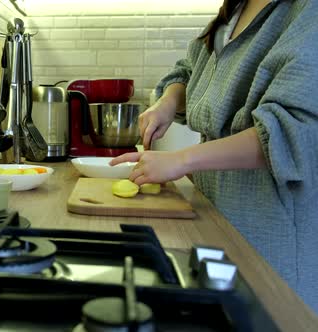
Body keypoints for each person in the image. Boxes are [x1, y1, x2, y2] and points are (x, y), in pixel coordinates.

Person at [110, 0, 318, 312]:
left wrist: (182, 161)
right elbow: (190, 70)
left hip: (269, 237)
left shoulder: (306, 11)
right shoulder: (233, 11)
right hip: (214, 220)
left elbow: (291, 131)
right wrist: (169, 100)